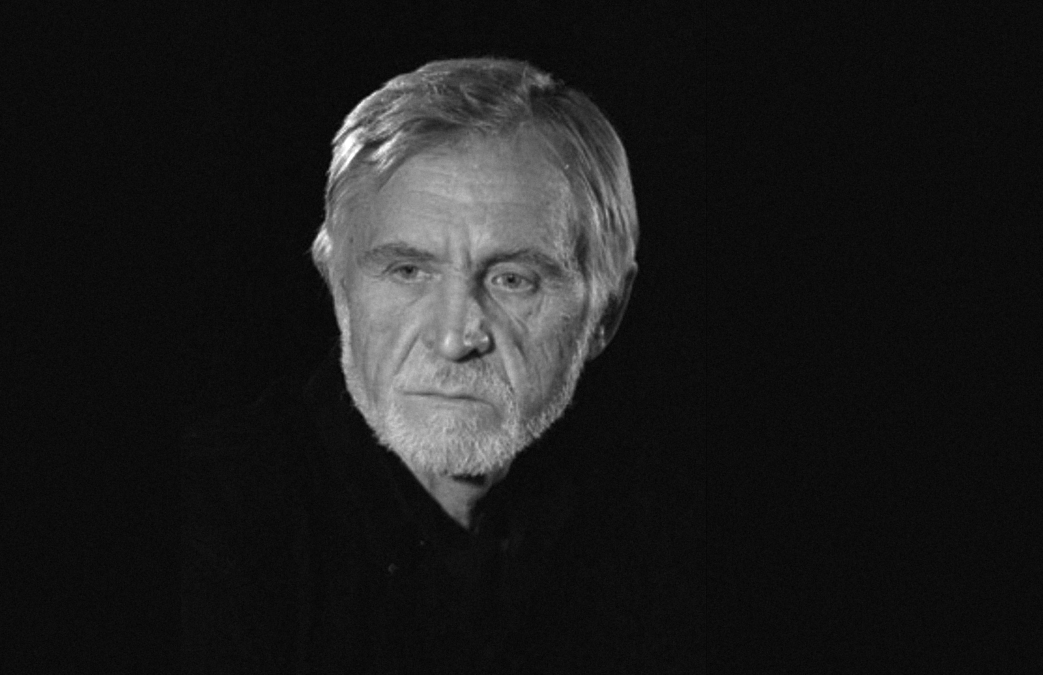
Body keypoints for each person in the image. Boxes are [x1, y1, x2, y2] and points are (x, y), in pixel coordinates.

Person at [183, 58, 702, 674]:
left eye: (513, 280)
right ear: (336, 284)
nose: (456, 338)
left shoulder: (674, 542)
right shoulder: (194, 530)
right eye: (409, 272)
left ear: (606, 313)